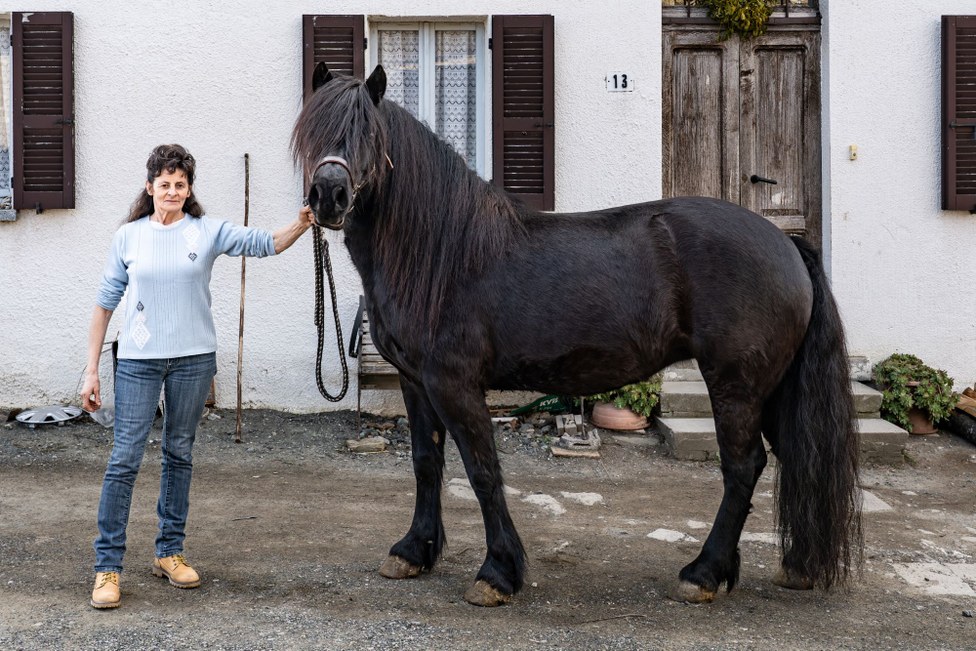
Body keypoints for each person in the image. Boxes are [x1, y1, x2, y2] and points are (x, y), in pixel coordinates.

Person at [81, 144, 314, 609]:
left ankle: (169, 552)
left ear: (189, 190)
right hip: (138, 363)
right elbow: (105, 302)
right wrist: (91, 371)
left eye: (180, 185)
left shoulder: (207, 232)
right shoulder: (128, 237)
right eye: (163, 185)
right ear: (150, 188)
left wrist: (303, 222)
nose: (171, 192)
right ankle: (107, 567)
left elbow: (264, 243)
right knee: (125, 458)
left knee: (179, 453)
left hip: (193, 361)